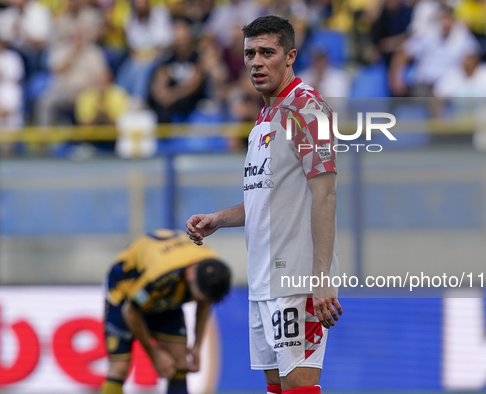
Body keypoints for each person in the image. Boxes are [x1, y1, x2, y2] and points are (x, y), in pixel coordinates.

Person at [186, 15, 342, 394]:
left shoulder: (307, 109)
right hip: (263, 278)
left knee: (299, 386)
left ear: (289, 56)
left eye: (266, 52)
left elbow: (325, 193)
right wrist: (219, 219)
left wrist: (320, 277)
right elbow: (266, 200)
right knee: (276, 387)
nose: (256, 61)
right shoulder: (264, 118)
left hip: (297, 277)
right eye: (250, 53)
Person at [101, 229, 231, 394]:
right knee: (118, 368)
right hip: (125, 293)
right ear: (191, 275)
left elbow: (204, 302)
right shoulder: (161, 276)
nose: (204, 300)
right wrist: (154, 354)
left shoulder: (209, 269)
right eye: (202, 295)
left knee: (180, 363)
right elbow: (130, 311)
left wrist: (197, 346)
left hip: (165, 294)